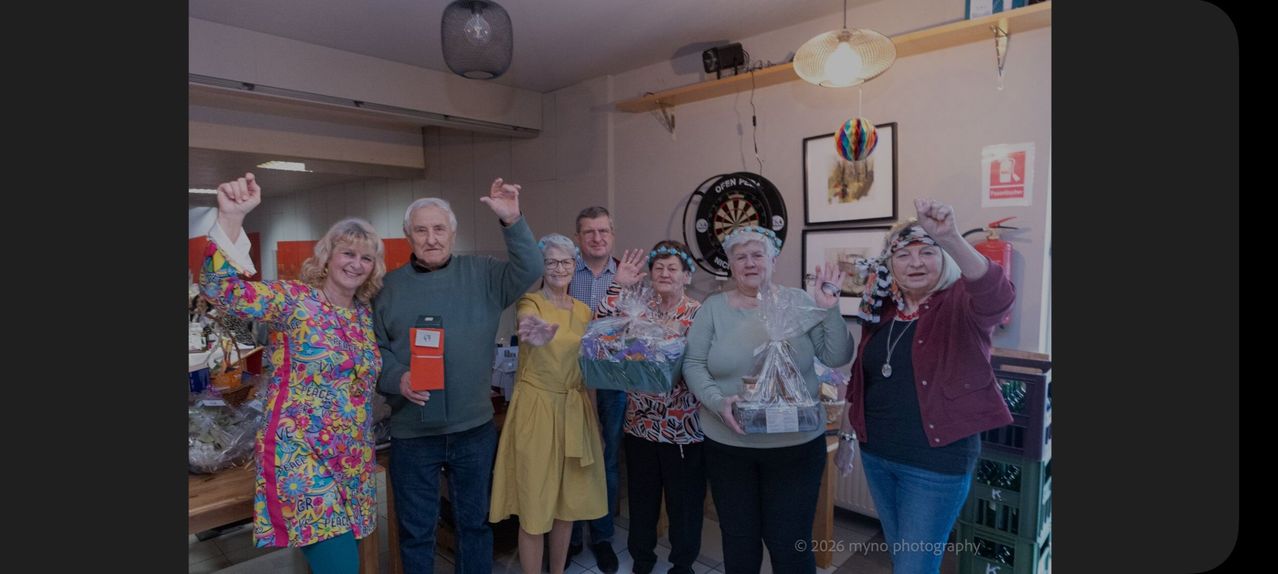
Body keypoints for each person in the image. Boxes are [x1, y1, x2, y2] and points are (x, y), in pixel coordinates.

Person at [199, 172, 386, 574]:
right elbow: (221, 290)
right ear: (327, 256)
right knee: (340, 568)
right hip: (302, 457)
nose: (356, 264)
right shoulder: (293, 301)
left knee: (334, 561)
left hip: (352, 459)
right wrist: (231, 219)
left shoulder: (362, 317)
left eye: (366, 257)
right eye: (347, 253)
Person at [833, 199, 1016, 574]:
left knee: (914, 567)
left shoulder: (960, 305)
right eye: (903, 255)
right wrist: (849, 440)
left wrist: (950, 236)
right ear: (890, 264)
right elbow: (861, 382)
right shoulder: (881, 309)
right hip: (878, 456)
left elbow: (998, 295)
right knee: (904, 559)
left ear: (943, 257)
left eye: (927, 252)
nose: (915, 263)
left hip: (934, 465)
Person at [373, 178, 543, 573]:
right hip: (413, 435)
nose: (431, 238)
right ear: (407, 236)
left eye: (439, 228)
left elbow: (531, 266)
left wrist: (512, 219)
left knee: (475, 526)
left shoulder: (483, 273)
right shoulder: (386, 289)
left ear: (452, 232)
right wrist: (398, 377)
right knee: (416, 533)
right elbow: (373, 350)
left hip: (473, 430)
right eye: (421, 229)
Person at [683, 226, 853, 574]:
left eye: (758, 254)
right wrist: (717, 401)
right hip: (729, 445)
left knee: (790, 544)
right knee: (739, 542)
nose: (750, 263)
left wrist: (829, 309)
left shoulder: (802, 303)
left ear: (773, 259)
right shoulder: (713, 309)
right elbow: (694, 363)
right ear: (729, 265)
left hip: (795, 448)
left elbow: (836, 356)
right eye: (740, 256)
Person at [489, 233, 607, 574]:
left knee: (565, 505)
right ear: (542, 266)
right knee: (534, 505)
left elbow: (589, 372)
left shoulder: (585, 312)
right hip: (536, 410)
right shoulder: (531, 303)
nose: (559, 268)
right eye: (552, 262)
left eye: (566, 262)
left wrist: (595, 423)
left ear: (575, 266)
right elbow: (527, 323)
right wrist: (534, 330)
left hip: (575, 408)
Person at [597, 241, 705, 574]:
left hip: (684, 430)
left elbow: (708, 364)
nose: (664, 273)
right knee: (642, 503)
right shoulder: (638, 308)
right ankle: (642, 560)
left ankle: (682, 564)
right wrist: (619, 284)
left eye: (673, 268)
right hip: (640, 425)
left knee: (684, 506)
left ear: (686, 276)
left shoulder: (698, 314)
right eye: (658, 267)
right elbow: (598, 325)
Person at [566, 206, 623, 572]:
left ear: (612, 235)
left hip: (615, 383)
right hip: (570, 380)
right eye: (589, 232)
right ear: (578, 238)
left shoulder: (630, 276)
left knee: (608, 462)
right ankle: (569, 536)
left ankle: (602, 537)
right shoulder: (564, 273)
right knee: (571, 458)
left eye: (603, 231)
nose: (597, 238)